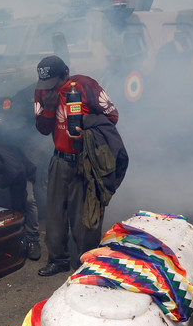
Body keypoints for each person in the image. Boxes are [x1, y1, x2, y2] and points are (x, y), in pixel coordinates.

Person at [33, 55, 125, 276]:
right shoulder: (42, 92)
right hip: (59, 160)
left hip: (85, 161)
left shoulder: (85, 85)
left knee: (85, 219)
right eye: (47, 84)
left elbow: (112, 115)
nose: (52, 87)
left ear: (66, 73)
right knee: (55, 216)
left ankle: (86, 263)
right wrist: (48, 108)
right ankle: (58, 260)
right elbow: (43, 129)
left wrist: (87, 127)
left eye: (56, 82)